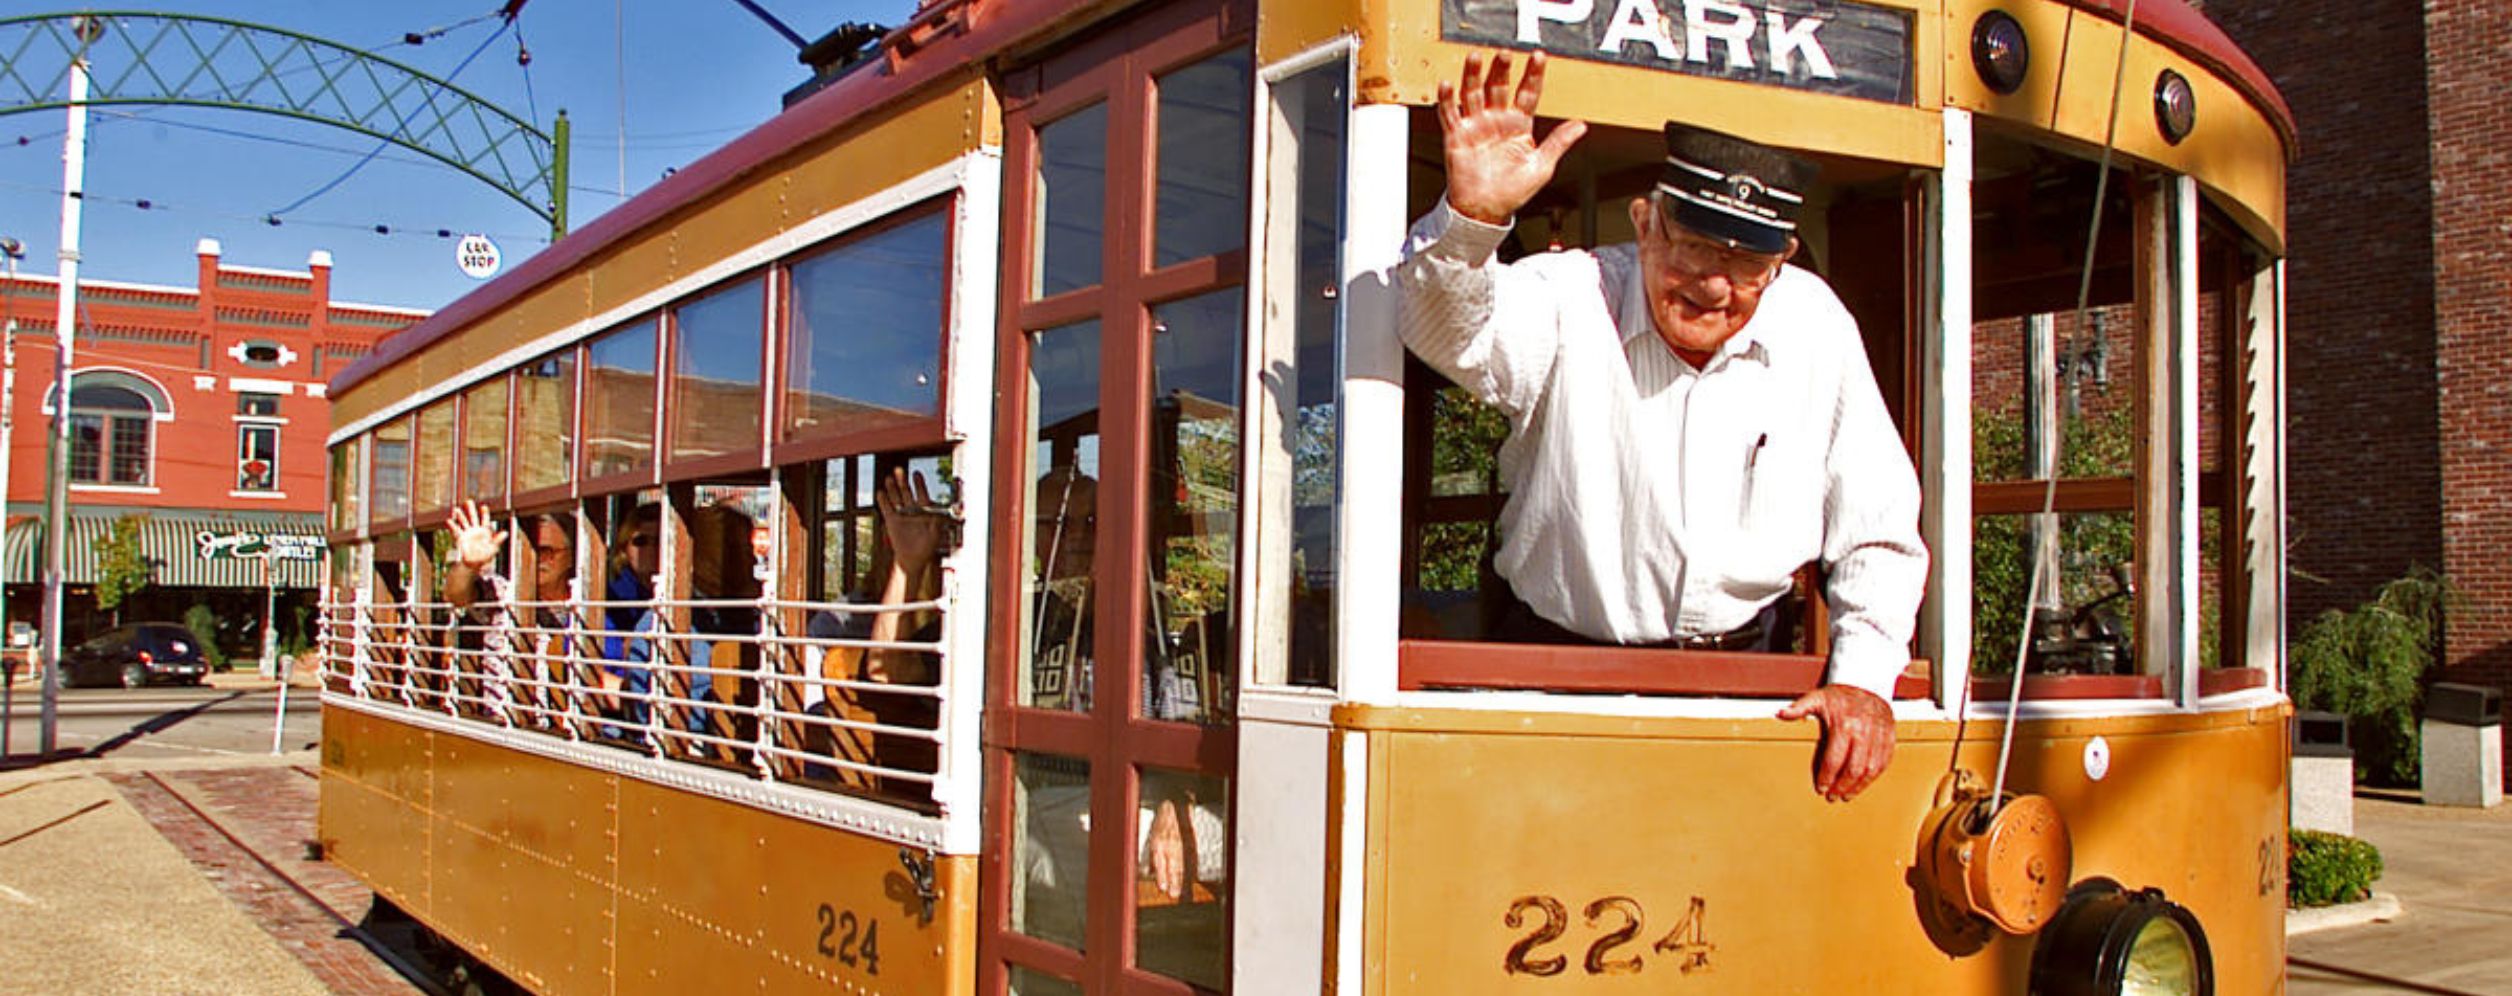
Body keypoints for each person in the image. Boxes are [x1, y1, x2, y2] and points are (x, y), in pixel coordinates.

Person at [1395, 51, 1928, 803]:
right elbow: (1437, 332)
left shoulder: (1816, 323)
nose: (1714, 283)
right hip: (1555, 680)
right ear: (1645, 223)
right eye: (1696, 244)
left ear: (1784, 263)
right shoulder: (1569, 292)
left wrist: (1864, 683)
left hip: (1754, 690)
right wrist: (1475, 218)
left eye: (1747, 260)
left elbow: (1877, 530)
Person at [442, 500, 576, 725]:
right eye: (532, 551)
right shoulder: (502, 594)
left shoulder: (585, 603)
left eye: (547, 552)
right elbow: (456, 595)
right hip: (506, 726)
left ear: (571, 556)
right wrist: (468, 565)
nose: (538, 560)